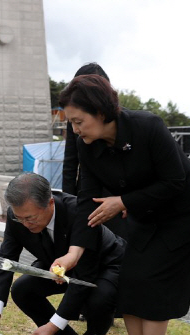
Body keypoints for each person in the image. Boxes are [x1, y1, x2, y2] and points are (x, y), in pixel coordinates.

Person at [57, 75, 190, 335]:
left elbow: (174, 181)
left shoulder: (148, 126)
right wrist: (75, 250)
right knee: (129, 279)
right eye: (71, 123)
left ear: (101, 112)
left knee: (154, 282)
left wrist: (123, 202)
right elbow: (87, 201)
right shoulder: (85, 145)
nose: (75, 129)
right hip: (147, 213)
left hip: (187, 212)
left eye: (78, 121)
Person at [0, 173, 125, 335]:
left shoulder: (78, 212)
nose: (25, 224)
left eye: (31, 218)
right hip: (57, 263)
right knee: (23, 289)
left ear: (50, 203)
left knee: (99, 299)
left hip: (104, 264)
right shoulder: (17, 216)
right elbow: (5, 262)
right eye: (20, 218)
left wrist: (52, 326)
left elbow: (84, 276)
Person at [62, 63, 127, 240]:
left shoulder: (123, 119)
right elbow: (70, 162)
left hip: (117, 194)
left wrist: (127, 200)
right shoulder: (75, 121)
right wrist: (67, 202)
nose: (77, 129)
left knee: (118, 245)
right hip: (87, 191)